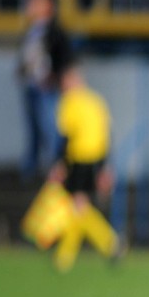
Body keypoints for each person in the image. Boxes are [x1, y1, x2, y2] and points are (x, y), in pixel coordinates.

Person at [46, 63, 119, 272]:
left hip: (79, 157)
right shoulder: (96, 100)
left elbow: (65, 135)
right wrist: (105, 166)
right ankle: (65, 257)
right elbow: (108, 134)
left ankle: (108, 243)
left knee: (77, 205)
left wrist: (60, 163)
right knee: (78, 206)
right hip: (97, 158)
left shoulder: (69, 101)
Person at [18, 0, 74, 181]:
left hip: (47, 89)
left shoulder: (55, 31)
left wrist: (54, 77)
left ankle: (56, 167)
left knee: (50, 127)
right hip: (31, 86)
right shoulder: (32, 31)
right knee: (33, 128)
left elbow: (64, 59)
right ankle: (32, 167)